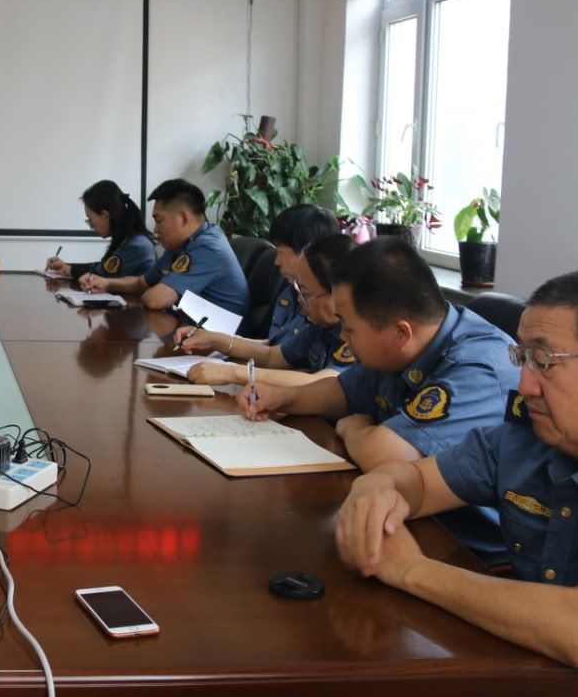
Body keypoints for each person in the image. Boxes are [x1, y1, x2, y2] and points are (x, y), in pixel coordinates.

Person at [334, 271, 578, 667]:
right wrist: (377, 487)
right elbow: (418, 479)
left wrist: (413, 570)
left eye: (543, 361)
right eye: (522, 358)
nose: (525, 386)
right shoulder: (522, 439)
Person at [240, 237, 516, 564]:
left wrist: (353, 428)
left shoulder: (477, 368)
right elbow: (343, 391)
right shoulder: (403, 341)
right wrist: (284, 397)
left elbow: (384, 456)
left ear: (401, 333)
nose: (342, 337)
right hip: (401, 522)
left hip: (466, 553)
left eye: (349, 328)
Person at [177, 233, 357, 387]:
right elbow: (273, 356)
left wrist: (233, 373)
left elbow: (324, 383)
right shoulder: (320, 326)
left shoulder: (355, 331)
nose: (299, 300)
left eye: (306, 293)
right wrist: (215, 339)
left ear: (337, 293)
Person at [79, 178, 247, 315]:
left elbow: (155, 299)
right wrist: (106, 283)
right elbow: (141, 283)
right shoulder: (182, 244)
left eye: (159, 220)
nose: (155, 229)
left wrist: (153, 289)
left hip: (221, 343)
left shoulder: (209, 248)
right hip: (192, 332)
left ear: (183, 218)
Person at [44, 180, 156, 281]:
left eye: (90, 220)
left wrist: (70, 269)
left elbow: (102, 274)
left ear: (104, 215)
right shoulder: (129, 238)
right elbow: (102, 267)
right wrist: (66, 266)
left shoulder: (135, 246)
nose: (91, 226)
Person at [265, 203, 340, 344]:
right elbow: (275, 347)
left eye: (281, 252)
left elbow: (280, 354)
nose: (277, 261)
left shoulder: (321, 308)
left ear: (307, 252)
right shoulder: (290, 291)